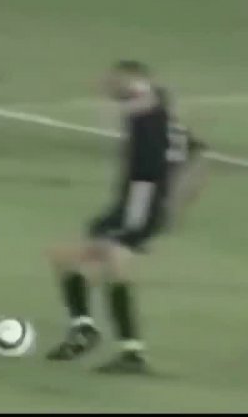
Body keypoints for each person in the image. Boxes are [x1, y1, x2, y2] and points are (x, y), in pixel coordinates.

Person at [44, 61, 206, 374]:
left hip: (139, 202)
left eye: (117, 81)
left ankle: (128, 349)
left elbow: (140, 101)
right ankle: (86, 330)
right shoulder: (170, 125)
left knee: (108, 261)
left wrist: (124, 90)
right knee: (72, 260)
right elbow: (197, 162)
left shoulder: (149, 108)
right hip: (131, 203)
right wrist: (176, 207)